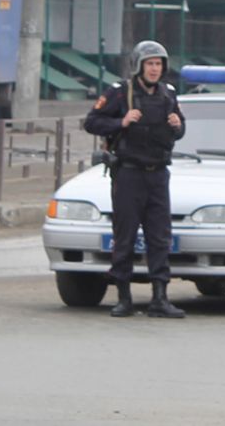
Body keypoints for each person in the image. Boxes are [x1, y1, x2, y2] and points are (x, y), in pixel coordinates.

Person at [84, 40, 187, 318]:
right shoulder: (120, 93)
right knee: (125, 235)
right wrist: (121, 122)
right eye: (150, 64)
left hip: (158, 174)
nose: (155, 69)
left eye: (158, 64)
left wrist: (178, 125)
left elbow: (179, 129)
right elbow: (91, 121)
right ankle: (123, 297)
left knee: (160, 237)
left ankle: (160, 298)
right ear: (140, 66)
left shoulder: (168, 94)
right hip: (129, 174)